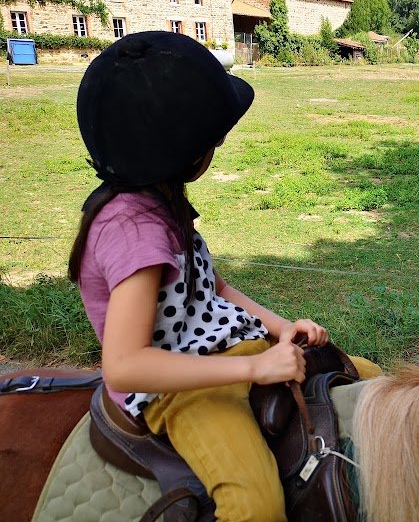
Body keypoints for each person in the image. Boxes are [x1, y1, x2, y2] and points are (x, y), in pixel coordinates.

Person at [68, 31, 380, 522]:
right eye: (212, 142)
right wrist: (254, 370)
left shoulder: (162, 201)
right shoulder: (135, 235)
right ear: (183, 151)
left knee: (374, 381)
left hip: (232, 347)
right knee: (256, 505)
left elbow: (212, 290)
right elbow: (126, 365)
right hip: (179, 389)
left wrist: (280, 328)